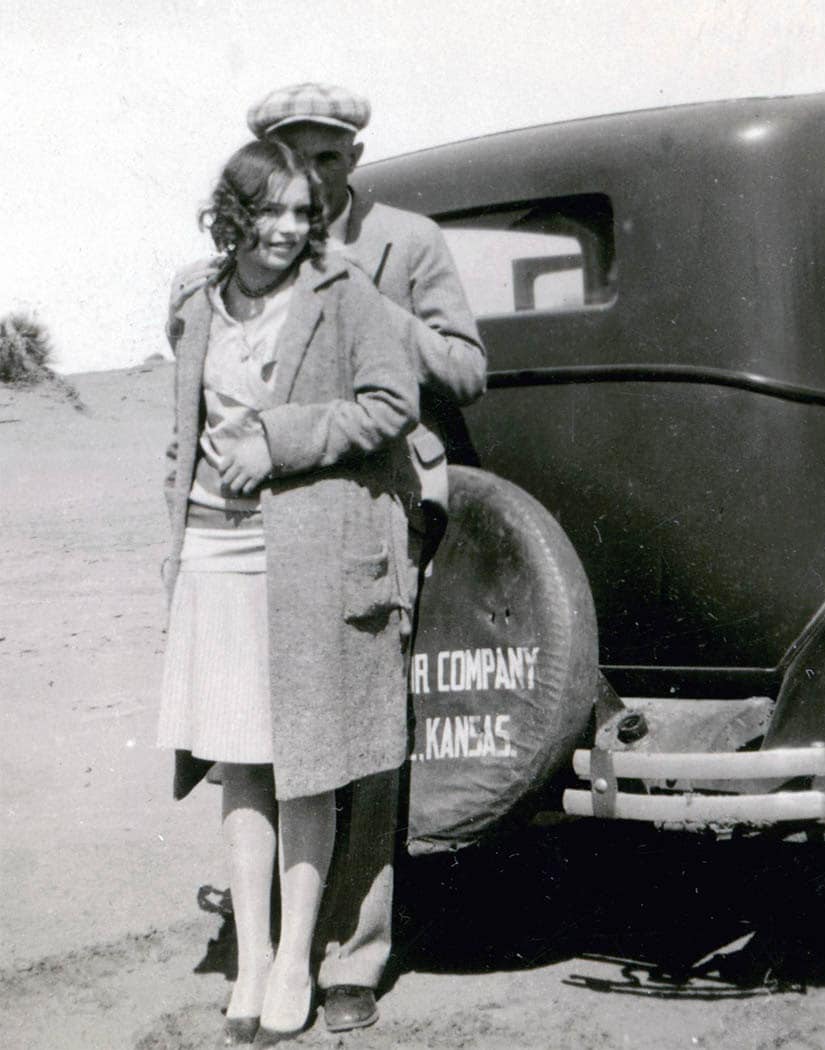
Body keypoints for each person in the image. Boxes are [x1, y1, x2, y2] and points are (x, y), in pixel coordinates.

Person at [156, 139, 420, 1046]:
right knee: (239, 758)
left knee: (302, 757)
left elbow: (393, 403)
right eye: (269, 210)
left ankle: (298, 957)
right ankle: (254, 952)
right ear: (232, 213)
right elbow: (186, 424)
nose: (288, 228)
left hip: (300, 551)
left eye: (304, 212)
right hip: (209, 550)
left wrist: (280, 438)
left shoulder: (345, 297)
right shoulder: (194, 302)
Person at [245, 82, 486, 1032]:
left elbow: (467, 369)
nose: (318, 171)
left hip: (379, 503)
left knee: (368, 723)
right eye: (297, 154)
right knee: (268, 721)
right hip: (273, 507)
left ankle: (354, 953)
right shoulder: (263, 249)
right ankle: (272, 937)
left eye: (333, 153)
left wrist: (372, 308)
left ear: (356, 155)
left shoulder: (408, 241)